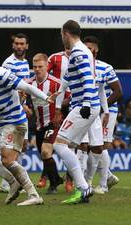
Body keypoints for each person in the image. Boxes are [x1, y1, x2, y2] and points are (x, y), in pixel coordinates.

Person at [0, 45, 58, 206]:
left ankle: (34, 195)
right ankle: (13, 181)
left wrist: (46, 98)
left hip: (15, 122)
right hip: (1, 125)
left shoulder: (2, 74)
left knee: (7, 160)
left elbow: (26, 87)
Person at [53, 20, 108, 204]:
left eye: (61, 34)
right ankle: (83, 188)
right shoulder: (81, 51)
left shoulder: (78, 52)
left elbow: (87, 79)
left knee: (59, 145)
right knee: (72, 147)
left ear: (66, 33)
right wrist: (55, 95)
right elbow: (67, 79)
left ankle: (83, 187)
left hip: (84, 106)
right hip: (85, 105)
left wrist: (85, 103)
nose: (61, 38)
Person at [82, 35, 122, 193]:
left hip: (106, 111)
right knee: (90, 146)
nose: (87, 51)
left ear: (96, 51)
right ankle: (108, 176)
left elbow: (118, 92)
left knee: (102, 145)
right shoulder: (81, 67)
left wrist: (101, 109)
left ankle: (104, 184)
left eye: (90, 49)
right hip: (89, 111)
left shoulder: (105, 68)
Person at [0, 33, 32, 193]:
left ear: (27, 46)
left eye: (22, 44)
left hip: (21, 109)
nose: (19, 46)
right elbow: (6, 88)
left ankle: (8, 182)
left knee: (22, 146)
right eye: (17, 43)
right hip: (12, 111)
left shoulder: (25, 63)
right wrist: (20, 104)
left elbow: (23, 87)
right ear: (13, 45)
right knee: (13, 146)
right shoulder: (8, 63)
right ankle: (8, 182)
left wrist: (24, 104)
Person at [38, 48, 74, 192]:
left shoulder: (83, 56)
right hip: (57, 102)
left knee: (70, 145)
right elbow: (45, 74)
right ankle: (47, 176)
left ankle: (69, 179)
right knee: (47, 146)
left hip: (73, 103)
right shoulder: (55, 58)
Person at [28, 53, 64, 194]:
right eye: (35, 67)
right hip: (39, 125)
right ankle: (56, 179)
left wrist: (59, 112)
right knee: (44, 156)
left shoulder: (56, 83)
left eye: (40, 66)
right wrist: (24, 104)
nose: (37, 69)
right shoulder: (29, 84)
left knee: (45, 151)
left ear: (47, 67)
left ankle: (54, 184)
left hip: (53, 124)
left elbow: (68, 99)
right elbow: (22, 98)